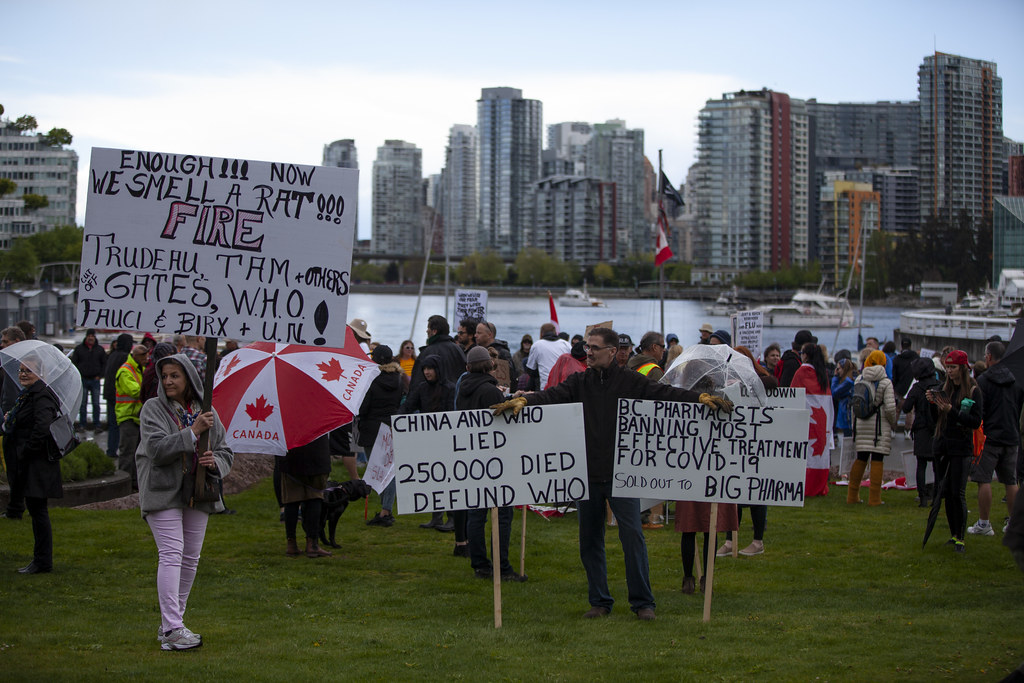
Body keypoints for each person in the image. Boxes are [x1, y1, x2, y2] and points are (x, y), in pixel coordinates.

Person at [492, 327, 732, 621]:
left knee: (632, 538)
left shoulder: (630, 381)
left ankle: (643, 603)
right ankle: (599, 601)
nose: (588, 352)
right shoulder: (580, 381)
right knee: (589, 540)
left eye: (594, 347)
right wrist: (526, 401)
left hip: (622, 475)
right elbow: (553, 395)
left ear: (612, 351)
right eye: (588, 347)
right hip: (588, 474)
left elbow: (665, 393)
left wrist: (699, 399)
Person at [137, 354, 233, 650]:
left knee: (191, 557)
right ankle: (173, 629)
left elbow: (226, 452)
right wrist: (192, 433)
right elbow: (156, 449)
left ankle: (171, 623)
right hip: (163, 490)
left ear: (189, 378)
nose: (167, 381)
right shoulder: (153, 409)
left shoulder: (206, 411)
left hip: (198, 490)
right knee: (171, 553)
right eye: (164, 376)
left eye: (174, 376)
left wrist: (213, 461)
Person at [457, 346, 525, 581]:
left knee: (476, 513)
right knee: (503, 514)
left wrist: (506, 399)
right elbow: (504, 424)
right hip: (495, 460)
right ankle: (502, 567)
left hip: (472, 458)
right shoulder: (489, 391)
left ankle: (480, 565)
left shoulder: (462, 390)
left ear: (468, 367)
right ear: (490, 366)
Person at [3, 353, 64, 573]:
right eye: (21, 370)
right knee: (35, 510)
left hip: (36, 465)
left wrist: (26, 451)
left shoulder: (42, 395)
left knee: (38, 512)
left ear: (40, 372)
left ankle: (42, 561)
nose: (23, 374)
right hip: (29, 463)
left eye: (28, 370)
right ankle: (40, 560)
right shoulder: (29, 394)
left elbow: (42, 426)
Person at [928, 350, 983, 553]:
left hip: (962, 446)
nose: (949, 372)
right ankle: (954, 535)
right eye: (947, 368)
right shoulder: (945, 389)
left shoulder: (974, 391)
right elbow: (936, 421)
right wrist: (933, 405)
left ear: (963, 368)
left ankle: (960, 537)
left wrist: (952, 411)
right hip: (945, 445)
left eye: (953, 367)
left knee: (958, 492)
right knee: (948, 492)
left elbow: (975, 421)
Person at [968, 342, 1023, 536]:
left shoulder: (983, 381)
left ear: (989, 357)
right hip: (1011, 435)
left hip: (990, 436)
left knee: (983, 479)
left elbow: (979, 409)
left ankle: (984, 523)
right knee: (1011, 481)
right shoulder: (1015, 380)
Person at [401, 355, 458, 537]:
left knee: (448, 479)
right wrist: (396, 420)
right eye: (424, 369)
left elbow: (451, 413)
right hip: (427, 440)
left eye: (430, 369)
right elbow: (409, 406)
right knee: (433, 478)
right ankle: (436, 516)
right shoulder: (422, 388)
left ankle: (452, 516)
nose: (426, 372)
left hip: (446, 440)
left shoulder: (450, 388)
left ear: (438, 370)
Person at [845, 350, 898, 506]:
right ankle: (874, 499)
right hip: (879, 426)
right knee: (877, 459)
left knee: (861, 458)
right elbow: (889, 408)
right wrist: (892, 421)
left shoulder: (859, 379)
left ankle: (852, 495)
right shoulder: (885, 382)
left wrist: (855, 425)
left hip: (862, 424)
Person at [360, 345, 404, 527]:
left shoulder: (372, 379)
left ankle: (385, 511)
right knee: (389, 469)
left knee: (377, 470)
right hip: (391, 426)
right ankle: (387, 508)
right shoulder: (399, 379)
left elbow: (364, 406)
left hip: (372, 427)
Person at [279, 434, 332, 558]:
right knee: (315, 497)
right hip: (317, 452)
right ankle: (312, 544)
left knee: (291, 500)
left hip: (291, 451)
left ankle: (291, 544)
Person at [790, 341, 832, 497]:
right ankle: (820, 484)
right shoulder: (823, 374)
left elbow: (792, 394)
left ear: (806, 355)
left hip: (806, 420)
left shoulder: (801, 372)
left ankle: (807, 485)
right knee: (819, 452)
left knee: (806, 452)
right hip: (822, 420)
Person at [902, 356, 941, 506]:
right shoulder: (939, 385)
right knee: (937, 466)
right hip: (937, 429)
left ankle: (923, 497)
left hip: (921, 428)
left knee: (921, 464)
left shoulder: (917, 388)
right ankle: (936, 496)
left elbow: (906, 408)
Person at [1, 326, 27, 520]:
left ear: (16, 342)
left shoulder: (14, 365)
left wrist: (8, 417)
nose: (2, 345)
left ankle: (15, 509)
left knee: (15, 469)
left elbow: (10, 396)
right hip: (17, 423)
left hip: (14, 424)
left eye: (5, 341)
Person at [116, 345, 150, 488]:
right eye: (143, 355)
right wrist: (149, 388)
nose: (146, 358)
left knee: (137, 453)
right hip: (128, 416)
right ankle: (123, 484)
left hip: (136, 417)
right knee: (127, 453)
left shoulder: (138, 369)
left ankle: (134, 483)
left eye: (147, 355)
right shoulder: (125, 370)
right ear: (135, 356)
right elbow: (135, 391)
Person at [409, 315, 466, 392]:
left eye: (428, 328)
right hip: (456, 397)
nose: (426, 331)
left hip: (434, 399)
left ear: (434, 331)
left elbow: (417, 382)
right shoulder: (458, 350)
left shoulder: (427, 353)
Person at [103, 334, 134, 460]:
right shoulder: (125, 357)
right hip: (119, 396)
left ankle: (111, 449)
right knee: (118, 425)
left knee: (112, 424)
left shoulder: (113, 355)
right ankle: (116, 449)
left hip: (109, 393)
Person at [70, 328, 106, 430]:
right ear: (86, 337)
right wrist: (78, 376)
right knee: (82, 404)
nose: (90, 338)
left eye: (92, 336)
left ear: (95, 337)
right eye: (89, 336)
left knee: (96, 404)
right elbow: (74, 363)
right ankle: (82, 424)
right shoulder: (79, 349)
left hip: (95, 379)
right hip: (83, 380)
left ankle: (97, 424)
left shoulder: (100, 349)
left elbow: (104, 364)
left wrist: (100, 375)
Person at [524, 322, 570, 390]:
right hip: (564, 386)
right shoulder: (566, 344)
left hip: (546, 387)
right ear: (555, 332)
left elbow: (530, 370)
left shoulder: (537, 345)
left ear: (541, 333)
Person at [476, 321, 516, 388]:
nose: (475, 335)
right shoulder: (478, 351)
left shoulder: (503, 353)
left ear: (489, 335)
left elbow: (511, 376)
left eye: (479, 333)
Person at [831, 358, 856, 438]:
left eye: (839, 368)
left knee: (848, 437)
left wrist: (835, 377)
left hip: (847, 414)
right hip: (848, 413)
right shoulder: (852, 379)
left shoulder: (847, 382)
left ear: (844, 369)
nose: (837, 371)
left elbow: (834, 392)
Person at [892, 338, 919, 406]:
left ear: (901, 346)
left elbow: (894, 376)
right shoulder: (916, 357)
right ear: (910, 346)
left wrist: (894, 388)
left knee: (897, 410)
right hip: (913, 388)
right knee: (910, 411)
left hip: (899, 388)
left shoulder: (897, 358)